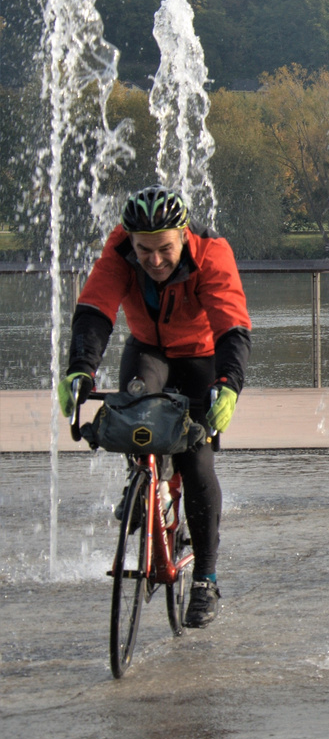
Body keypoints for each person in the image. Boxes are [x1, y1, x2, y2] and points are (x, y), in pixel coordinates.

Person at [56, 185, 251, 627]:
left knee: (196, 461)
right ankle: (146, 481)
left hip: (201, 355)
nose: (156, 260)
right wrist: (80, 370)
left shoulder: (212, 252)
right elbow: (95, 309)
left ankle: (204, 578)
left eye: (165, 248)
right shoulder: (120, 248)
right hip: (148, 350)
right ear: (131, 240)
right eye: (145, 250)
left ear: (183, 235)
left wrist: (229, 385)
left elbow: (232, 325)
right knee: (136, 416)